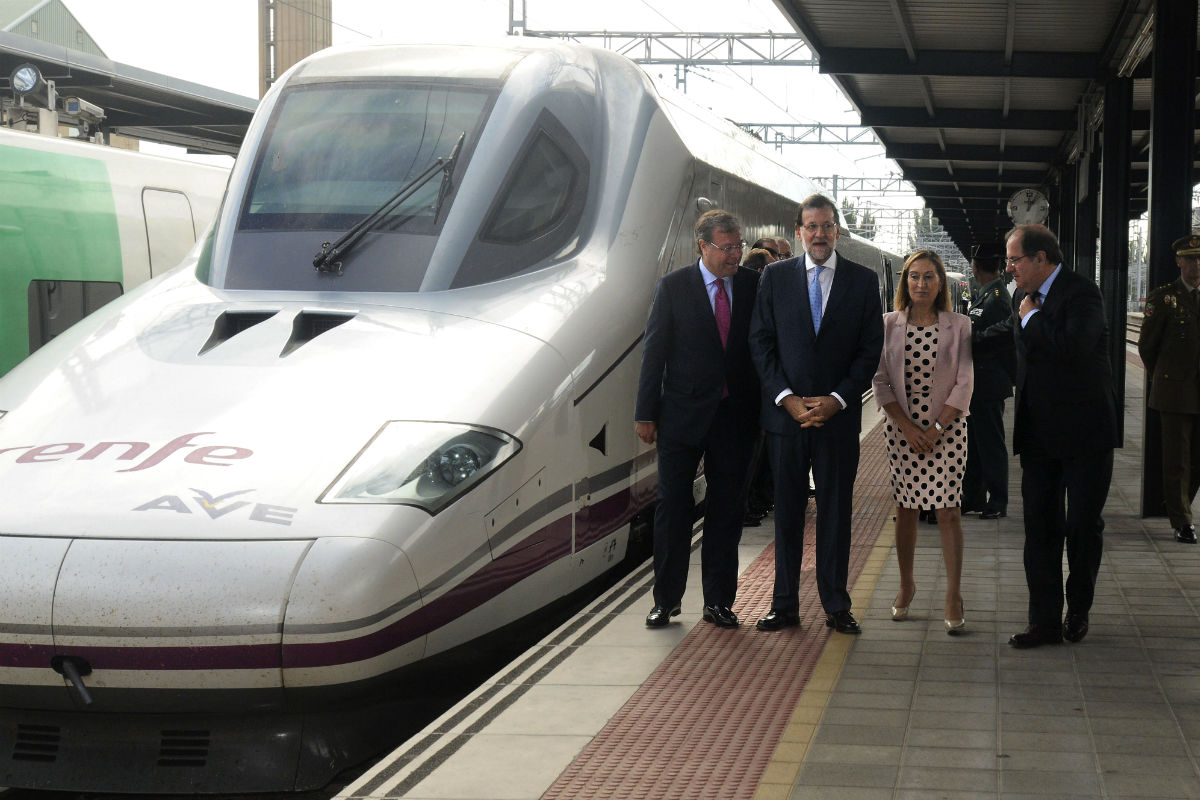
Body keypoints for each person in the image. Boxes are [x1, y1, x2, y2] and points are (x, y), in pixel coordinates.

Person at [749, 194, 884, 634]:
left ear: (837, 231)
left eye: (826, 226)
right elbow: (761, 343)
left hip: (837, 419)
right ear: (799, 231)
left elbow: (869, 351)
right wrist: (787, 398)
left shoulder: (862, 282)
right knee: (786, 512)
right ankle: (784, 604)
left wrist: (838, 399)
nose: (819, 234)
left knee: (835, 512)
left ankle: (835, 603)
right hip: (786, 421)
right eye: (811, 226)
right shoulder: (774, 277)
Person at [635, 209, 760, 629]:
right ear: (702, 246)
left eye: (738, 246)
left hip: (736, 417)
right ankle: (666, 600)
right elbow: (654, 353)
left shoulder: (752, 286)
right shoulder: (673, 288)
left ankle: (719, 601)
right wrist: (645, 412)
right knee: (673, 507)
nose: (734, 255)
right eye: (726, 248)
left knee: (726, 510)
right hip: (681, 417)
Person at [1005, 223, 1119, 648]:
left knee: (1082, 526)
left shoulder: (1081, 293)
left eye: (1016, 259)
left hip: (1085, 434)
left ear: (1041, 259)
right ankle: (1044, 622)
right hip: (1038, 435)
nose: (1010, 267)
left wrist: (1032, 317)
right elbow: (1017, 346)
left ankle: (1079, 610)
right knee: (1040, 528)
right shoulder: (1023, 297)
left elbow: (1071, 346)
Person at [872, 251, 973, 634]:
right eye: (914, 276)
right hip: (901, 433)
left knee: (948, 510)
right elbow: (880, 380)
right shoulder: (887, 325)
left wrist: (935, 430)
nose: (921, 284)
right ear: (904, 281)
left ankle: (953, 593)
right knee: (907, 508)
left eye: (929, 277)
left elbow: (965, 381)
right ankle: (906, 583)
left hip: (947, 432)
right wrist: (908, 428)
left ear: (941, 282)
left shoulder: (960, 325)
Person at [1138, 233, 1200, 544]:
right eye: (1191, 259)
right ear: (1179, 262)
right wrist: (1165, 378)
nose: (1197, 265)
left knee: (1196, 460)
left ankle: (1181, 505)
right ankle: (1182, 520)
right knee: (1177, 459)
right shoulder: (1163, 298)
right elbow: (1147, 347)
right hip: (1174, 393)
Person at [961, 252, 1015, 519]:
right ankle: (973, 496)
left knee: (991, 444)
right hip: (978, 384)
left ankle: (998, 500)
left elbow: (1000, 341)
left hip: (989, 384)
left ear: (975, 267)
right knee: (974, 443)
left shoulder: (997, 298)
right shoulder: (986, 294)